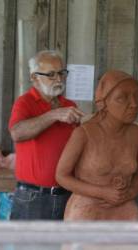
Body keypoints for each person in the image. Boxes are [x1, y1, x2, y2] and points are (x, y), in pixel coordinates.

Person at [56, 70, 138, 220]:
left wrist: (128, 194)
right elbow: (61, 176)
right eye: (122, 98)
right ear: (103, 102)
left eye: (136, 96)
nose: (134, 104)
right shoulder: (83, 133)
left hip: (124, 209)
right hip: (86, 209)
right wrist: (102, 192)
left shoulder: (137, 134)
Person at [8, 50, 84, 220]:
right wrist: (54, 115)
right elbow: (17, 133)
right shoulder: (25, 102)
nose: (59, 79)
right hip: (33, 197)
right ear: (34, 78)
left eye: (62, 73)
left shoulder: (69, 105)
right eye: (51, 74)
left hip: (66, 194)